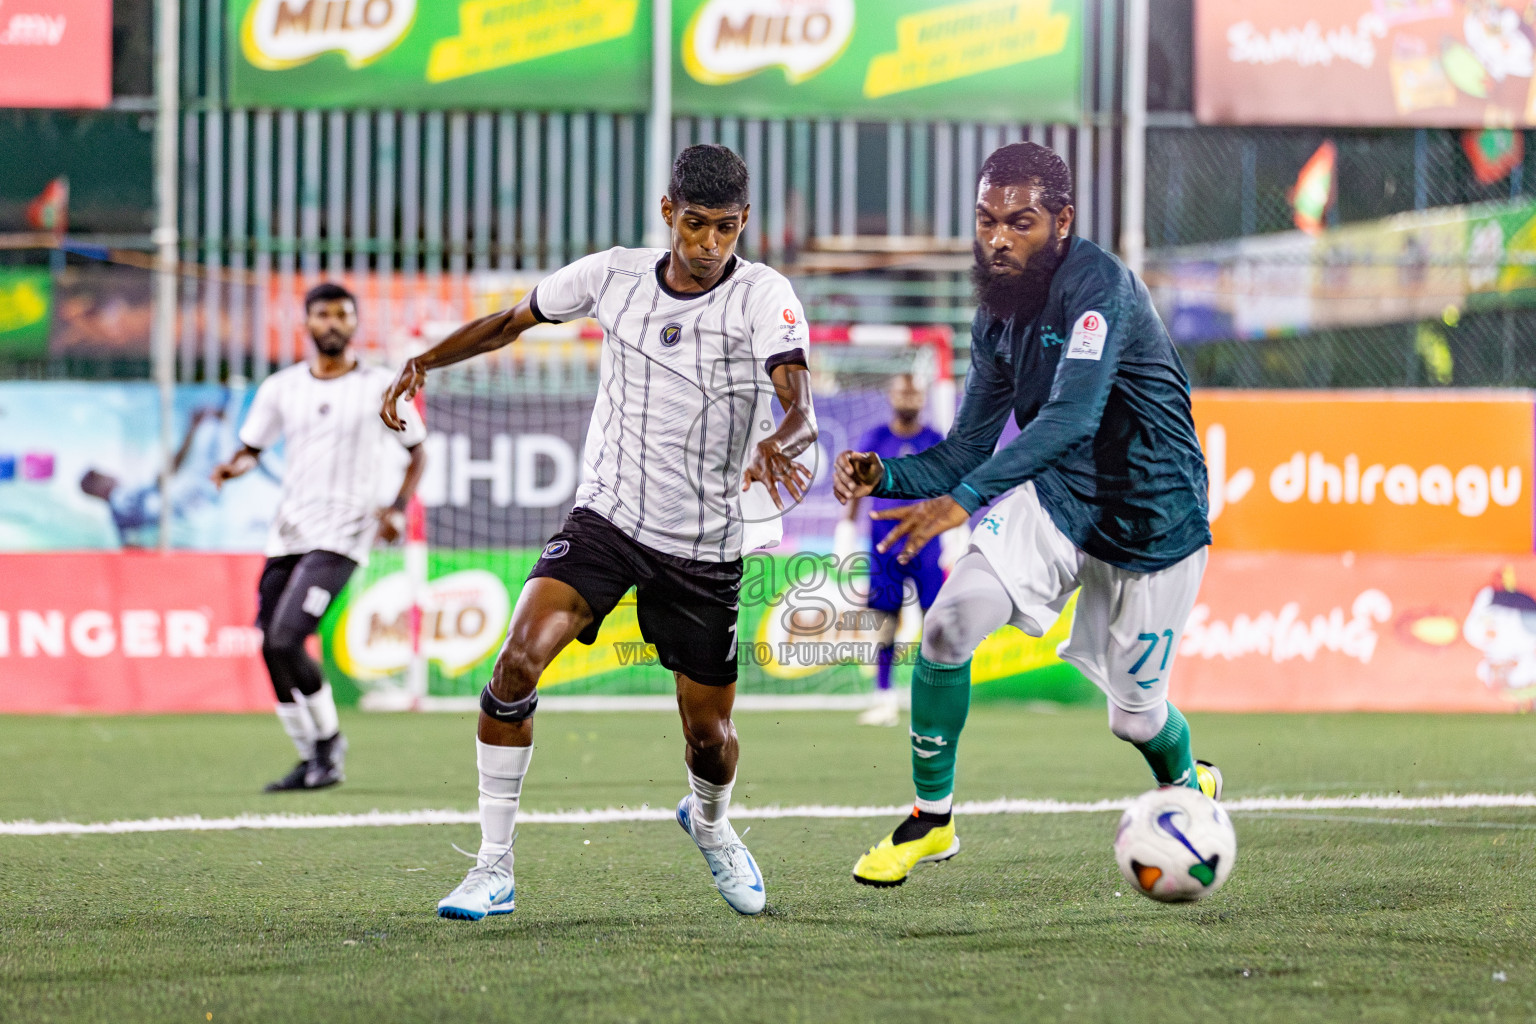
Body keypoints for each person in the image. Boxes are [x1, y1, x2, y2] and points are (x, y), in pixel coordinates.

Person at [380, 145, 817, 921]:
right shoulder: (612, 274)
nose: (708, 244)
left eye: (724, 228)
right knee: (515, 664)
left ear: (743, 221)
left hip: (706, 543)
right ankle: (493, 867)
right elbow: (511, 320)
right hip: (608, 520)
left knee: (709, 735)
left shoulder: (764, 294)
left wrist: (788, 432)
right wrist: (424, 360)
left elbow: (794, 386)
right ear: (666, 214)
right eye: (693, 225)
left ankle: (711, 824)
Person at [833, 142, 1221, 888]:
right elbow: (967, 449)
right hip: (1062, 497)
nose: (999, 239)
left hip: (1156, 518)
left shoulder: (1098, 287)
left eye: (1021, 222)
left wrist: (966, 500)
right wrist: (886, 475)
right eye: (986, 221)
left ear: (1062, 222)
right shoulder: (996, 317)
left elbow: (1072, 417)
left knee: (1134, 720)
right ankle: (932, 819)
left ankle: (1189, 783)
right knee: (945, 628)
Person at [212, 282, 427, 793]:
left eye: (342, 315)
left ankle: (327, 746)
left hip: (344, 532)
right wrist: (233, 467)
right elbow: (252, 448)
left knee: (287, 636)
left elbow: (418, 451)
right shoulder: (282, 387)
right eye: (323, 315)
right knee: (270, 645)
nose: (333, 323)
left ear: (354, 324)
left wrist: (395, 509)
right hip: (288, 532)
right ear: (306, 323)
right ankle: (312, 757)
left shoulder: (381, 385)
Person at [836, 374, 945, 727]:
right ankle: (884, 698)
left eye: (915, 392)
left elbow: (951, 490)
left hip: (927, 546)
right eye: (903, 391)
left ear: (924, 397)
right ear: (891, 394)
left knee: (938, 623)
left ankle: (939, 695)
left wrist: (957, 539)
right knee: (884, 625)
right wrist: (847, 531)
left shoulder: (935, 441)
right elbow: (854, 486)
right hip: (884, 547)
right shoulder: (875, 440)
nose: (909, 398)